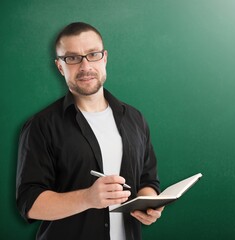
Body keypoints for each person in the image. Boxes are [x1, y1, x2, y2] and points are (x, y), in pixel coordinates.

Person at [16, 22, 164, 240]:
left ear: (104, 58)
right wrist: (88, 198)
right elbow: (29, 203)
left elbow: (148, 181)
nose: (85, 66)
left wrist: (150, 205)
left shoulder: (135, 118)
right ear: (60, 66)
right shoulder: (40, 125)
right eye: (73, 58)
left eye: (92, 54)